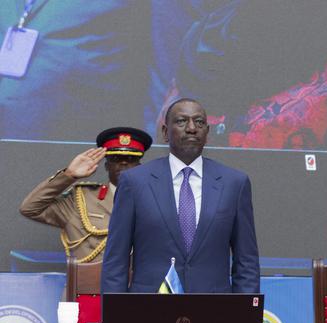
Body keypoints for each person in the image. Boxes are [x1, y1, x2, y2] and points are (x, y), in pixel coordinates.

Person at [101, 99, 259, 293]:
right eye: (182, 121)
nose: (191, 128)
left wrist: (244, 318)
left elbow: (247, 262)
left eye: (199, 122)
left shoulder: (234, 183)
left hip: (215, 314)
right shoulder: (134, 182)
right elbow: (116, 261)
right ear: (166, 132)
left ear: (207, 133)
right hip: (148, 314)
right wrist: (117, 318)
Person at [19, 127, 153, 263]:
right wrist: (68, 176)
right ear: (106, 165)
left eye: (130, 159)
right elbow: (30, 208)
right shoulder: (80, 200)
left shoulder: (155, 200)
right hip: (89, 283)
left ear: (139, 166)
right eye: (116, 158)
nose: (123, 163)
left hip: (140, 283)